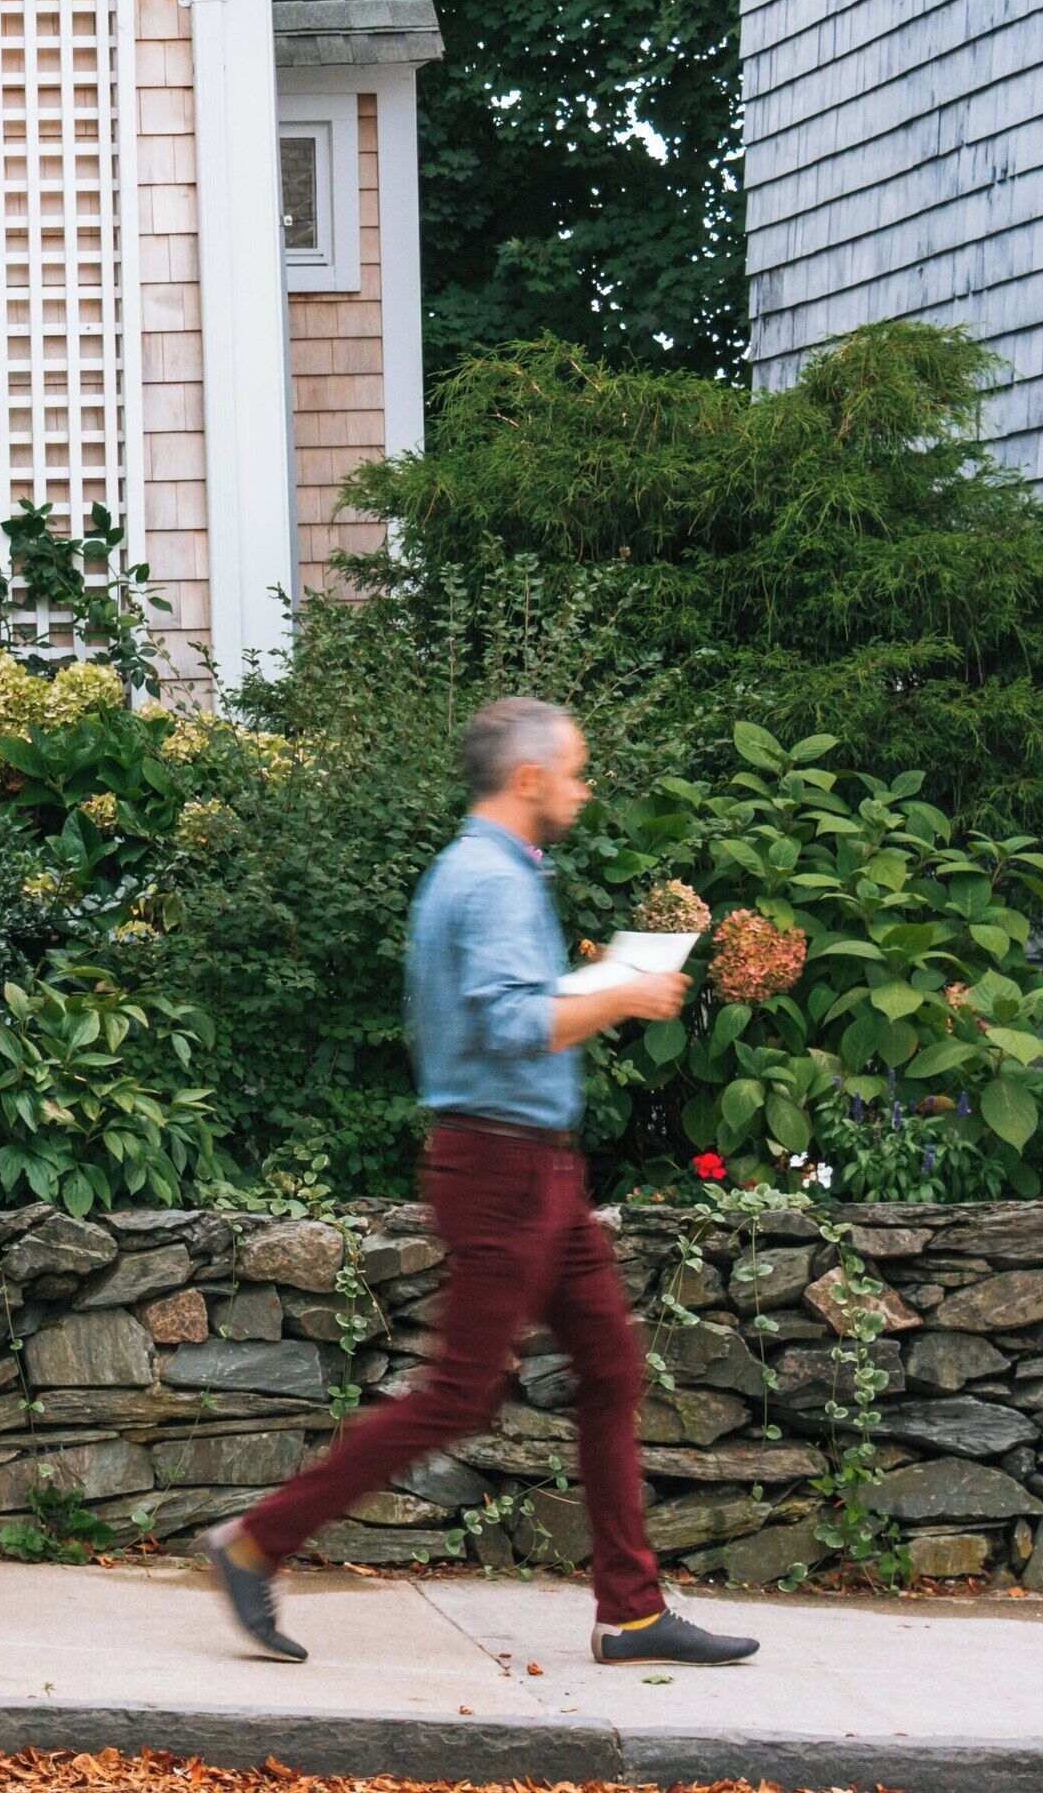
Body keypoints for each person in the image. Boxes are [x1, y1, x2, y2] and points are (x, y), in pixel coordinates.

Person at [203, 696, 757, 1669]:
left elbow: (503, 1012)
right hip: (504, 1168)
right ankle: (256, 1544)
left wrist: (594, 987)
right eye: (577, 773)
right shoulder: (491, 883)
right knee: (459, 1394)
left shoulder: (484, 870)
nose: (584, 793)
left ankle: (631, 1611)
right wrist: (626, 994)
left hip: (532, 1164)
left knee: (612, 1368)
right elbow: (508, 1026)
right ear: (531, 778)